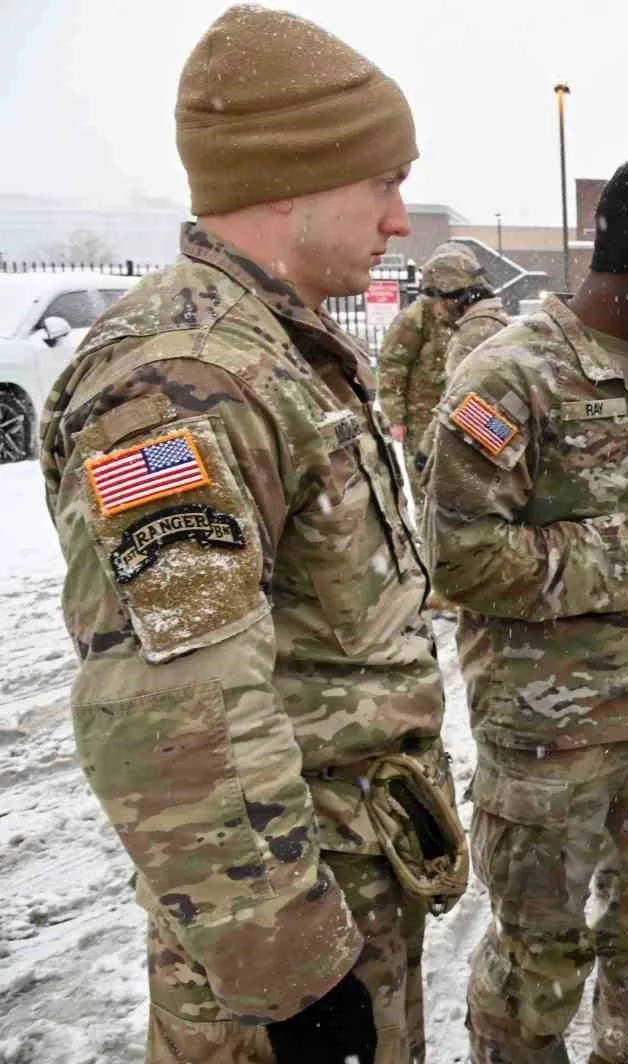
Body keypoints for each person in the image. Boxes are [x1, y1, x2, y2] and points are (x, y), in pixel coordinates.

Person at [38, 7, 464, 1063]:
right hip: (280, 951)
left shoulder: (272, 351)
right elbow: (172, 717)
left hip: (342, 881)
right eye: (383, 183)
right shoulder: (184, 380)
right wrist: (294, 981)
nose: (400, 221)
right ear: (291, 178)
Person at [425, 151, 628, 1064]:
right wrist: (623, 547)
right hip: (548, 745)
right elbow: (456, 559)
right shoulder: (506, 380)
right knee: (538, 964)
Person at [379, 242, 490, 484]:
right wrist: (395, 416)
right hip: (422, 415)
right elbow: (392, 363)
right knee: (425, 482)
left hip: (461, 413)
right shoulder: (417, 316)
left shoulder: (474, 313)